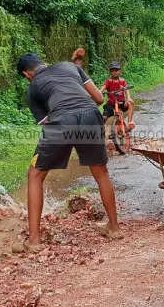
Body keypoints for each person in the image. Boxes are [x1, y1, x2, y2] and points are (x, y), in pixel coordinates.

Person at [16, 53, 122, 247]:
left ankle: (34, 241)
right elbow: (98, 98)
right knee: (101, 173)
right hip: (90, 115)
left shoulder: (32, 88)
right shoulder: (69, 66)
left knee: (35, 174)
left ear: (26, 74)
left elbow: (47, 122)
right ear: (43, 62)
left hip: (62, 121)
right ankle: (114, 228)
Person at [100, 62, 135, 132]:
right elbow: (102, 88)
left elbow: (126, 90)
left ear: (120, 71)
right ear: (110, 72)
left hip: (121, 102)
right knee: (104, 117)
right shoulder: (109, 81)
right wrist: (99, 92)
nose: (115, 72)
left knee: (131, 103)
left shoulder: (122, 80)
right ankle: (103, 132)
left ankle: (129, 123)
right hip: (111, 103)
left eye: (116, 70)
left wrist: (128, 98)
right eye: (112, 71)